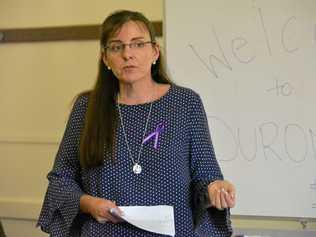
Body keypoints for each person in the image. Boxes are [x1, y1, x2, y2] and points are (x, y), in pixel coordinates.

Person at [37, 10, 236, 237]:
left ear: (154, 52)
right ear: (105, 58)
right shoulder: (86, 107)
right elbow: (60, 179)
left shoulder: (186, 103)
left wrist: (214, 189)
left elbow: (206, 175)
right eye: (116, 46)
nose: (127, 54)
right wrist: (87, 203)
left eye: (138, 44)